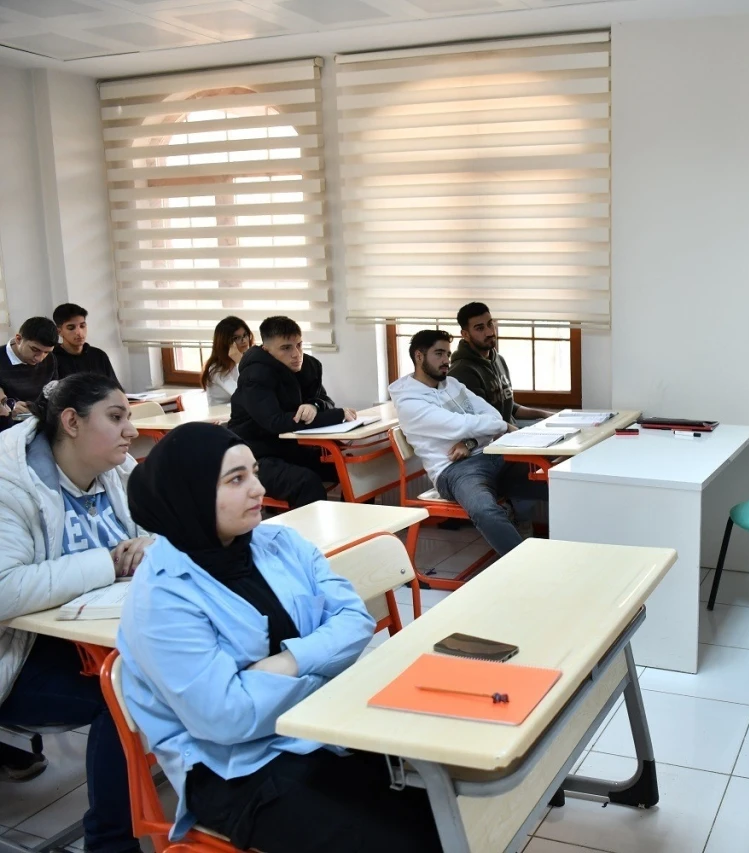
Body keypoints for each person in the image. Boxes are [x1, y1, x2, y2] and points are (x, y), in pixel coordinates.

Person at [117, 422, 441, 853]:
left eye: (254, 472)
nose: (258, 488)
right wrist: (325, 672)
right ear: (190, 494)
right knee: (406, 841)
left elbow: (355, 620)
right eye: (236, 479)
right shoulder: (161, 598)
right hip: (238, 770)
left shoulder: (279, 542)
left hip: (324, 732)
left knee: (446, 810)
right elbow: (228, 718)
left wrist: (289, 662)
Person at [0, 374, 147, 852]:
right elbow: (4, 589)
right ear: (71, 422)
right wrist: (106, 563)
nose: (132, 431)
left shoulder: (116, 470)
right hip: (19, 657)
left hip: (92, 637)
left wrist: (152, 543)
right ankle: (109, 843)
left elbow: (168, 526)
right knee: (121, 693)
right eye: (116, 417)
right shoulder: (11, 483)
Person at [391, 329, 546, 555]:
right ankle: (524, 565)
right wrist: (501, 427)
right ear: (419, 356)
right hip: (454, 470)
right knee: (484, 511)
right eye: (439, 354)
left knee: (555, 478)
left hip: (491, 453)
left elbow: (492, 415)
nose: (446, 360)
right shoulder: (409, 403)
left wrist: (472, 442)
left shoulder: (452, 384)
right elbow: (462, 425)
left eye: (448, 354)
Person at [227, 316, 356, 507]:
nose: (296, 354)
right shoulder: (255, 376)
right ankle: (308, 529)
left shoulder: (308, 367)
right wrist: (337, 415)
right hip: (253, 457)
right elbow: (277, 422)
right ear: (267, 350)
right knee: (305, 483)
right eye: (286, 348)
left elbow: (326, 401)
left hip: (290, 450)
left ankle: (354, 524)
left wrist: (314, 406)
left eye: (299, 345)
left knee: (352, 469)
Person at [450, 303, 554, 425]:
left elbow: (507, 407)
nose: (489, 332)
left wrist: (544, 414)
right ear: (465, 335)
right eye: (480, 328)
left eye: (490, 324)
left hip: (510, 432)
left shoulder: (498, 359)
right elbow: (481, 421)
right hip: (494, 436)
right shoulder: (461, 372)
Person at [0, 317, 60, 418]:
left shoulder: (50, 359)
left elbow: (53, 394)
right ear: (18, 339)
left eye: (46, 352)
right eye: (35, 349)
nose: (40, 358)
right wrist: (9, 406)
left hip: (39, 419)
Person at [52, 303, 120, 384]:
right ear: (59, 331)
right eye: (71, 328)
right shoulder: (52, 359)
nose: (79, 332)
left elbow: (114, 387)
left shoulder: (99, 356)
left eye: (82, 326)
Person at [201, 316, 254, 406]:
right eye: (236, 338)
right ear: (225, 343)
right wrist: (240, 362)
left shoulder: (246, 358)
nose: (244, 340)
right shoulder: (217, 370)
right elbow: (245, 395)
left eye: (245, 335)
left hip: (241, 410)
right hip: (222, 413)